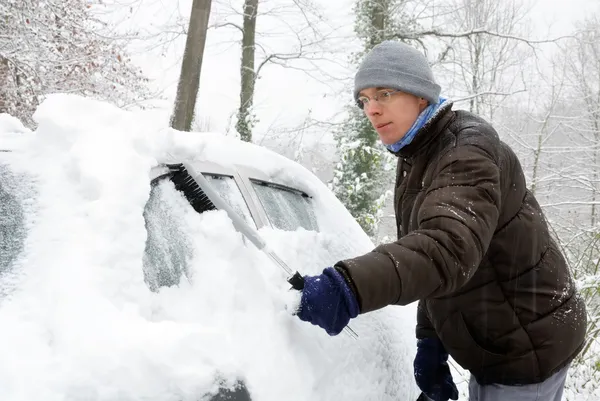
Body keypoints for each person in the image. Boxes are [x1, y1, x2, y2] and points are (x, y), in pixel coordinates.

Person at [295, 40, 587, 401]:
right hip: (500, 339)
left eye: (384, 93)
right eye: (364, 100)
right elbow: (431, 248)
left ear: (421, 95)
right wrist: (430, 338)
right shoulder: (419, 152)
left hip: (525, 349)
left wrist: (348, 287)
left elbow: (447, 247)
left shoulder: (466, 150)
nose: (371, 109)